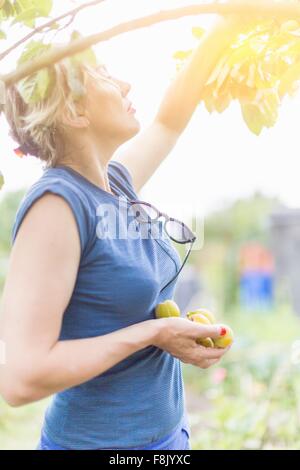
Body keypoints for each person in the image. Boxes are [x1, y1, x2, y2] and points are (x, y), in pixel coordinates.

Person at [0, 9, 248, 451]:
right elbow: (21, 377)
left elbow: (169, 122)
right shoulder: (57, 205)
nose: (126, 85)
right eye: (103, 76)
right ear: (74, 112)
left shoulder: (114, 185)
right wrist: (154, 333)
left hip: (167, 438)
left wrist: (227, 23)